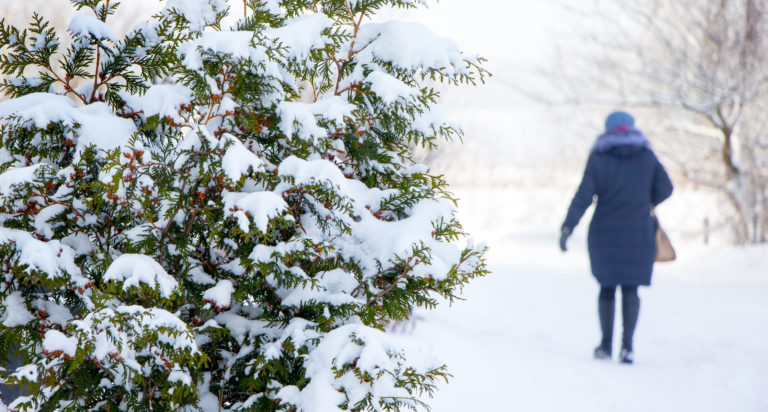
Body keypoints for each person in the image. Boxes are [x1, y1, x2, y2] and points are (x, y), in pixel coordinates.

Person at [559, 111, 673, 364]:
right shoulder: (646, 155)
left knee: (607, 287)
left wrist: (568, 227)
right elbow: (666, 188)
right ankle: (628, 347)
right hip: (639, 230)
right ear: (632, 127)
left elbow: (583, 196)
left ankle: (605, 345)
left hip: (605, 231)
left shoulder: (599, 156)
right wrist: (645, 199)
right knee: (631, 288)